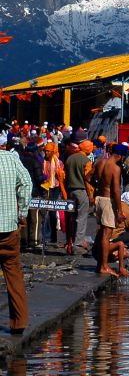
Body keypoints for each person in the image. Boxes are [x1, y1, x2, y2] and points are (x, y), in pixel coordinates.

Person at [0, 141, 32, 335]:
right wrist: (23, 212)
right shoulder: (12, 159)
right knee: (13, 275)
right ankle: (19, 322)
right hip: (9, 228)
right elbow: (27, 183)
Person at [93, 144, 126, 277]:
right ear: (121, 156)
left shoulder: (100, 162)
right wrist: (119, 211)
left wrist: (96, 188)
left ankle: (100, 264)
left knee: (101, 233)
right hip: (107, 201)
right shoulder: (115, 168)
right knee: (107, 236)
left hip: (99, 198)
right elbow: (117, 191)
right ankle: (104, 266)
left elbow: (88, 177)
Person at [64, 141, 93, 253]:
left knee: (71, 217)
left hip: (70, 190)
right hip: (81, 191)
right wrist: (91, 195)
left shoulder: (69, 159)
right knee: (81, 218)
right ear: (88, 149)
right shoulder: (86, 161)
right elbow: (87, 180)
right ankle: (78, 244)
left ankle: (71, 242)